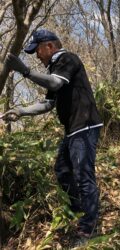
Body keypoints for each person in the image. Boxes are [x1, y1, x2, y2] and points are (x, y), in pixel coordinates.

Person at [3, 29, 103, 238]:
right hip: (73, 129)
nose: (37, 56)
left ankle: (89, 228)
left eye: (37, 51)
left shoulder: (68, 58)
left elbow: (56, 83)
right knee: (63, 170)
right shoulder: (55, 68)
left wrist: (26, 71)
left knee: (83, 175)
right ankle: (79, 210)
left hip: (85, 125)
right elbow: (48, 103)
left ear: (49, 46)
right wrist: (21, 111)